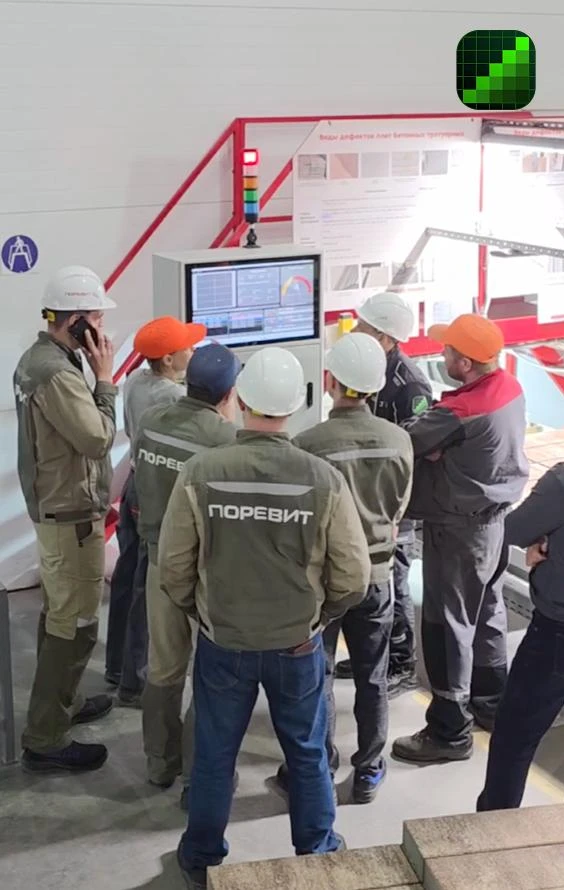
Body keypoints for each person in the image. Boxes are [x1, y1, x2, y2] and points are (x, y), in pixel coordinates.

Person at [158, 346, 370, 890]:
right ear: (297, 405)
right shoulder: (322, 479)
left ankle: (202, 857)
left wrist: (202, 612)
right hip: (297, 645)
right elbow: (353, 577)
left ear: (242, 399)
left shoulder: (202, 472)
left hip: (223, 641)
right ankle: (317, 852)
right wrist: (317, 617)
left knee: (213, 755)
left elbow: (174, 565)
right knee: (307, 754)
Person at [276, 332, 413, 804]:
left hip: (325, 580)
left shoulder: (307, 444)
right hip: (376, 576)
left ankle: (319, 763)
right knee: (373, 677)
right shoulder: (400, 440)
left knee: (319, 677)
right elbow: (399, 508)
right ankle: (369, 769)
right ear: (375, 387)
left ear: (330, 381)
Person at [392, 314, 529, 764]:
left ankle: (449, 731)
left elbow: (405, 442)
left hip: (457, 532)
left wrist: (434, 448)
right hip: (493, 524)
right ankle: (491, 704)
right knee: (486, 614)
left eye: (448, 351)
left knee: (446, 626)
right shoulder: (509, 387)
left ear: (466, 363)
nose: (442, 354)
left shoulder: (461, 412)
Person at [14, 265, 117, 773]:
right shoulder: (55, 372)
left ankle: (63, 704)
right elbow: (96, 438)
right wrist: (106, 381)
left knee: (62, 614)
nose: (102, 327)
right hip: (69, 513)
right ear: (75, 321)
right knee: (73, 625)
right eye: (96, 317)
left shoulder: (46, 360)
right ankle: (46, 737)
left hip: (60, 508)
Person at [134, 343, 239, 800]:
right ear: (229, 394)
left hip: (160, 560)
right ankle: (199, 774)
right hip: (208, 571)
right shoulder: (225, 440)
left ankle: (160, 763)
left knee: (163, 666)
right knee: (210, 671)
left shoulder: (151, 423)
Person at [105, 316, 206, 707]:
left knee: (127, 575)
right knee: (149, 587)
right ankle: (137, 680)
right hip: (156, 492)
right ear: (167, 359)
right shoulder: (173, 398)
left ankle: (118, 667)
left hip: (134, 483)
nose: (193, 352)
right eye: (187, 348)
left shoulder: (134, 381)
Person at [335, 292, 432, 696]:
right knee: (367, 582)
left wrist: (395, 511)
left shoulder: (410, 386)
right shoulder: (367, 371)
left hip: (394, 507)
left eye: (366, 327)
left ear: (387, 339)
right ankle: (371, 656)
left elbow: (415, 452)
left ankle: (401, 663)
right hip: (364, 497)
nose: (356, 330)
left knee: (394, 582)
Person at [477, 463, 564, 810]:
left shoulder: (562, 483)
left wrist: (545, 542)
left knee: (515, 736)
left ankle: (495, 823)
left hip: (557, 632)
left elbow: (513, 529)